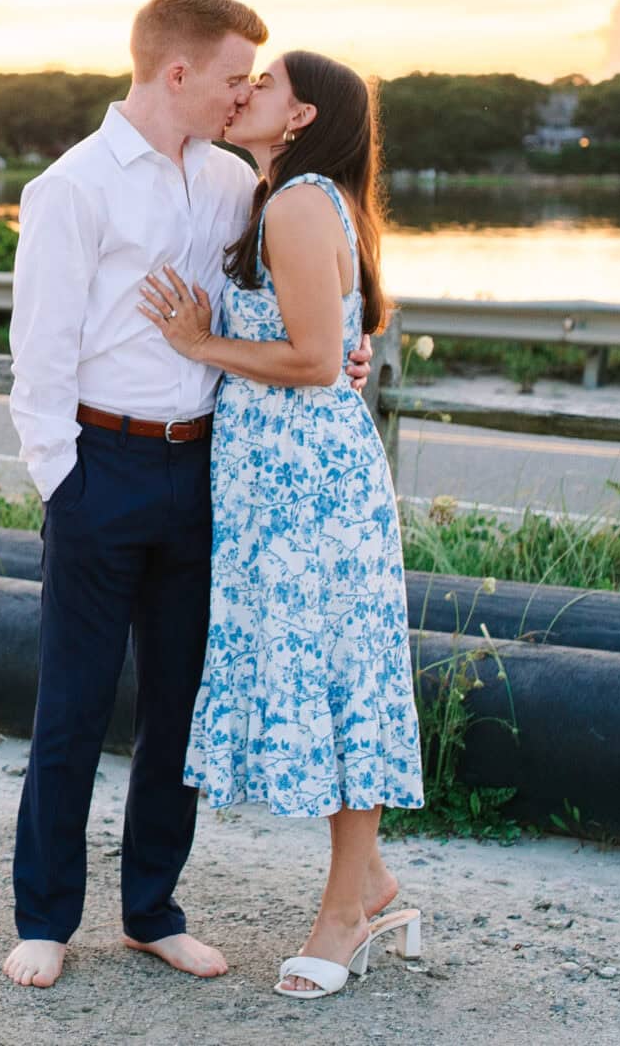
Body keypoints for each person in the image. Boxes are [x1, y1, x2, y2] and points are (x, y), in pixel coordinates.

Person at [0, 0, 372, 992]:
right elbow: (37, 358)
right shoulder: (71, 187)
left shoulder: (229, 185)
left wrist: (348, 350)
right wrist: (63, 482)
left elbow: (312, 286)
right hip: (101, 466)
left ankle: (151, 911)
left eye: (255, 80)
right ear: (176, 73)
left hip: (208, 469)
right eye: (229, 77)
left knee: (179, 710)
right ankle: (45, 917)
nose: (240, 92)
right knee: (71, 705)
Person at [137, 48, 427, 999]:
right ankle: (373, 885)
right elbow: (339, 339)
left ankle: (346, 913)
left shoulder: (300, 204)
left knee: (344, 680)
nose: (248, 91)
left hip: (310, 489)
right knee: (333, 676)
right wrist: (337, 353)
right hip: (283, 486)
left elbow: (310, 358)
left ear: (301, 117)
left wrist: (197, 344)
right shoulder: (291, 198)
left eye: (266, 85)